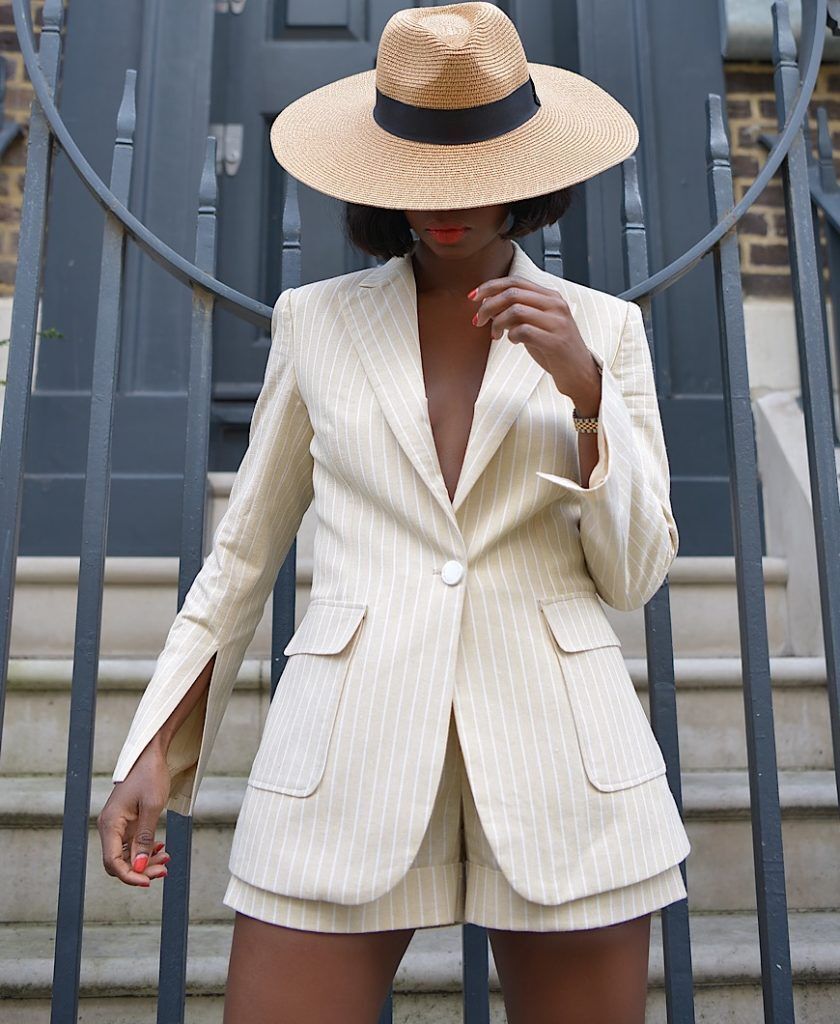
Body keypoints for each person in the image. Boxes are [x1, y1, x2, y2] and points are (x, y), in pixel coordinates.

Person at [98, 4, 691, 1022]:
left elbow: (634, 574)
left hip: (564, 765)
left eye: (472, 175)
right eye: (417, 176)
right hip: (346, 755)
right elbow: (242, 558)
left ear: (528, 172)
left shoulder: (605, 331)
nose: (441, 206)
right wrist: (156, 744)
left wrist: (586, 391)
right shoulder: (316, 324)